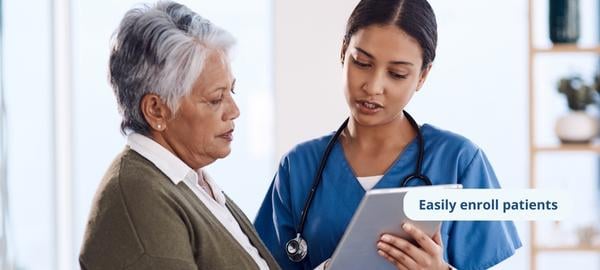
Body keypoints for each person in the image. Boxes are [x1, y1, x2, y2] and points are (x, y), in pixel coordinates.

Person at [254, 0, 522, 269]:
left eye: (397, 74)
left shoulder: (460, 161)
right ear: (343, 51)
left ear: (422, 76)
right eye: (362, 63)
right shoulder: (298, 167)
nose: (373, 86)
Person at [79, 2, 280, 269]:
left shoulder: (189, 181)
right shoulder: (141, 202)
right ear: (156, 110)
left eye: (232, 91)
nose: (234, 110)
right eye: (215, 99)